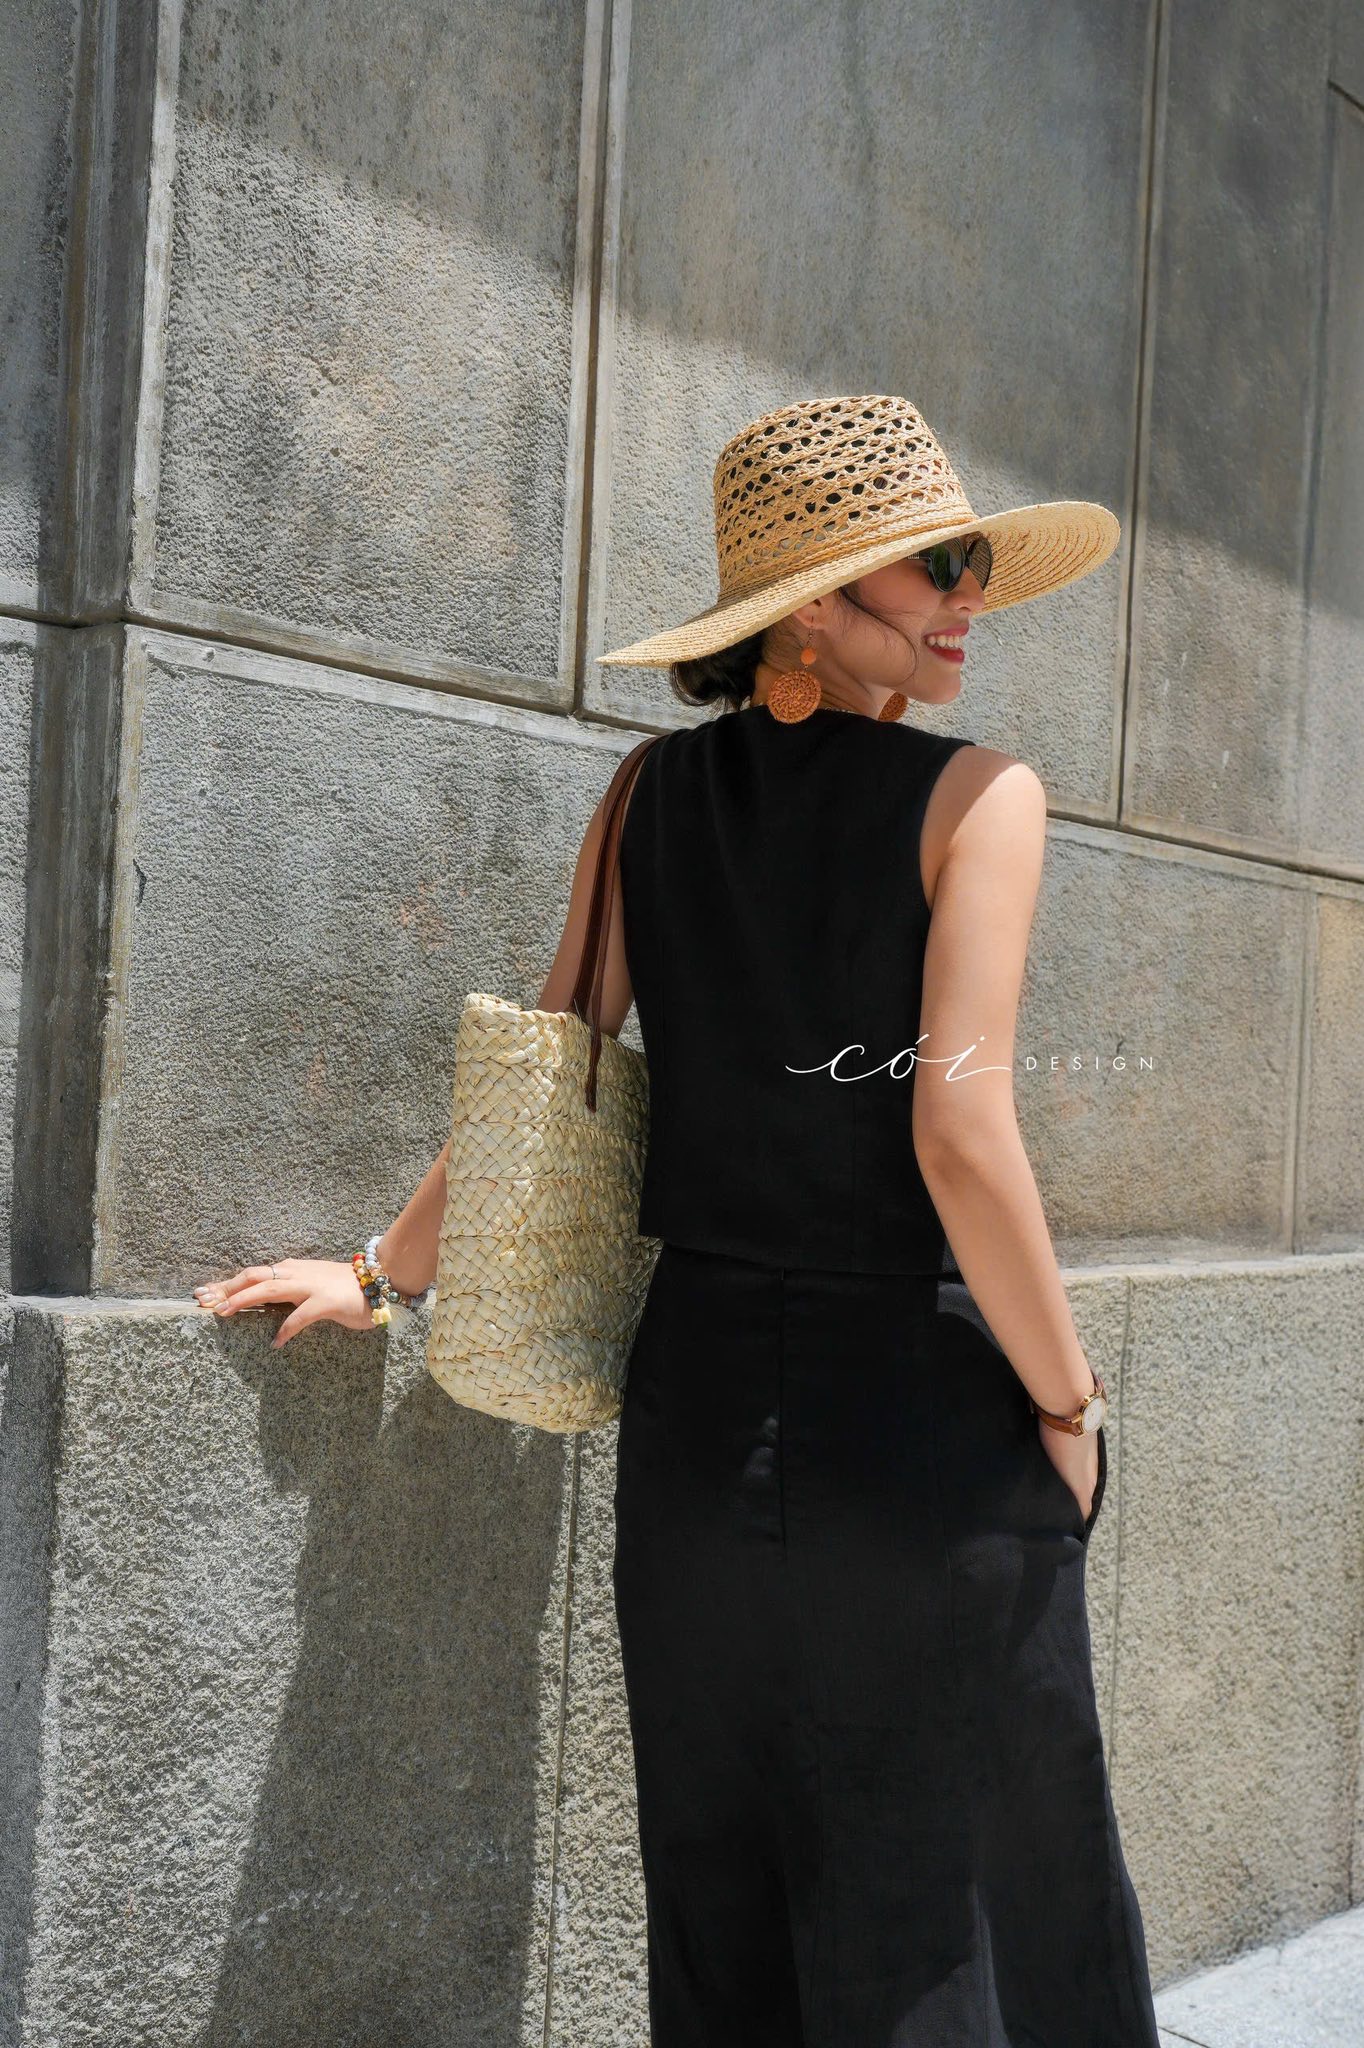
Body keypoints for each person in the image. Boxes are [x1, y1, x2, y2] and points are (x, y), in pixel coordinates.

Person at [195, 393, 1162, 2045]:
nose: (971, 598)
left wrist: (379, 1274)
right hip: (922, 1432)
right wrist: (1070, 1411)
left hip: (700, 1429)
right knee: (960, 1909)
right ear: (812, 606)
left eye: (974, 560)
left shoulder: (648, 794)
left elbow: (552, 1083)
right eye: (937, 564)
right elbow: (959, 1134)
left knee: (731, 1911)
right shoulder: (981, 798)